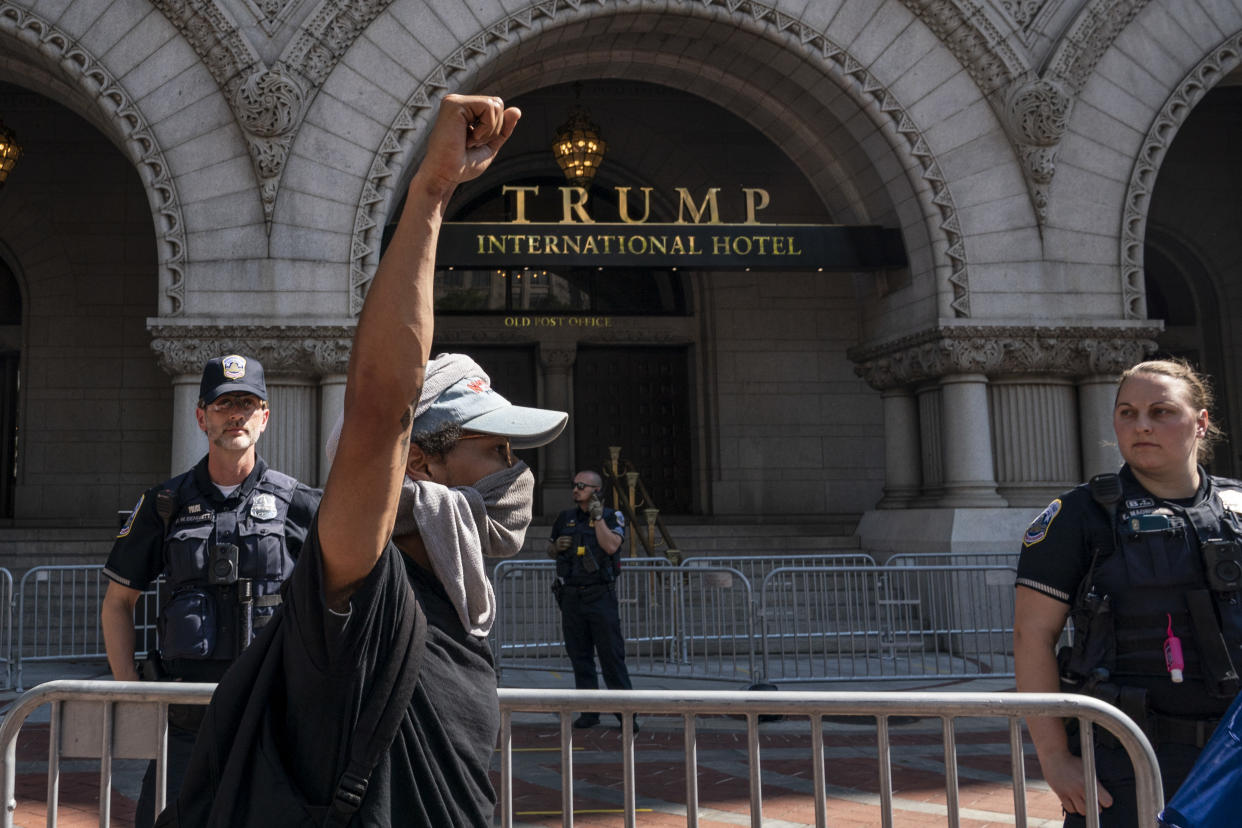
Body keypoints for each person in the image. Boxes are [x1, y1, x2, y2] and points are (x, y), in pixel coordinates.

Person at [157, 94, 567, 827]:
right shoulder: (356, 591)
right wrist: (432, 194)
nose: (516, 475)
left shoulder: (457, 605)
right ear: (421, 464)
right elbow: (380, 410)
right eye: (494, 449)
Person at [1014, 358, 1242, 827]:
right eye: (1127, 413)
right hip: (1127, 759)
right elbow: (1031, 636)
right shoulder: (1078, 516)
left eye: (1161, 412)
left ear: (1201, 422)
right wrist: (1055, 759)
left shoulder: (1236, 506)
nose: (1141, 426)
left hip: (1230, 756)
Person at [100, 353, 322, 828]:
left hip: (272, 714)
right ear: (201, 417)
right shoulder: (165, 503)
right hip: (186, 721)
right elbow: (119, 604)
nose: (235, 415)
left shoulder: (300, 504)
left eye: (247, 403)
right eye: (223, 405)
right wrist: (132, 691)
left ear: (264, 417)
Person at [548, 469, 637, 731]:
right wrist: (557, 548)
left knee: (611, 657)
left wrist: (597, 518)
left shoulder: (612, 517)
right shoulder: (566, 517)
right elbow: (550, 548)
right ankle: (589, 712)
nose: (575, 489)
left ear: (596, 491)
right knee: (580, 657)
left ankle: (627, 716)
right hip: (572, 596)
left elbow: (611, 547)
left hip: (600, 596)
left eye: (581, 485)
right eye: (574, 484)